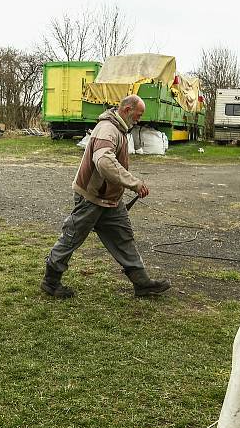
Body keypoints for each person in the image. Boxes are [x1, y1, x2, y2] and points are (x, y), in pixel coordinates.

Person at [40, 94, 172, 299]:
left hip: (110, 199)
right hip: (91, 198)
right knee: (72, 237)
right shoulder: (107, 129)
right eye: (138, 115)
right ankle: (51, 281)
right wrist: (133, 183)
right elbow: (104, 162)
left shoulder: (118, 128)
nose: (139, 119)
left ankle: (142, 283)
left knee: (123, 237)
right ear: (127, 110)